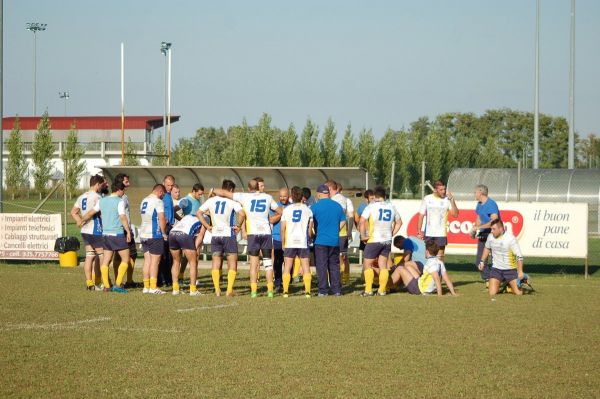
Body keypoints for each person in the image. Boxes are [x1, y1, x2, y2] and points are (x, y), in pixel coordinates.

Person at [214, 178, 282, 298]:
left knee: (253, 263)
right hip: (266, 233)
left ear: (249, 188)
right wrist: (273, 218)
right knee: (268, 263)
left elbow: (224, 193)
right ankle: (270, 291)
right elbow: (279, 211)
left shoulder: (244, 196)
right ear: (258, 187)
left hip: (253, 234)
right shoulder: (267, 197)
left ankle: (254, 292)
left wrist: (212, 190)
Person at [198, 179, 245, 297]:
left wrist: (207, 226)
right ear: (230, 190)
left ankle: (217, 290)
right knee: (232, 260)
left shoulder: (212, 200)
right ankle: (229, 290)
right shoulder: (232, 201)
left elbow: (198, 212)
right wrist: (238, 226)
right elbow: (242, 214)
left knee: (216, 261)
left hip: (215, 235)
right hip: (228, 234)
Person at [85, 181, 132, 293]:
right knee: (126, 259)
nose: (123, 193)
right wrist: (128, 231)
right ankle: (117, 285)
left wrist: (82, 219)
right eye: (123, 190)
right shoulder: (119, 201)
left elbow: (92, 211)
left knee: (106, 261)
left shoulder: (102, 200)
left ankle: (106, 286)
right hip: (117, 234)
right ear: (120, 190)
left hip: (105, 235)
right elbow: (122, 216)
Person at [359, 186, 402, 296]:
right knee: (383, 265)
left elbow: (362, 221)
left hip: (374, 239)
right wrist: (391, 234)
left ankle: (368, 290)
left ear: (375, 196)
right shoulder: (391, 206)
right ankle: (382, 290)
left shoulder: (372, 206)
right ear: (385, 196)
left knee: (367, 264)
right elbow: (399, 222)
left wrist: (363, 235)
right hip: (387, 240)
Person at [310, 184, 346, 296]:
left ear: (318, 194)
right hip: (334, 240)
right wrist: (336, 229)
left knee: (321, 266)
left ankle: (323, 290)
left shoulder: (314, 207)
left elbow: (310, 223)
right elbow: (343, 221)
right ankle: (336, 290)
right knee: (334, 265)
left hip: (320, 240)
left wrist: (311, 234)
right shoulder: (337, 206)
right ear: (328, 193)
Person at [70, 174, 105, 291]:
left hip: (85, 230)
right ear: (97, 185)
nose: (101, 187)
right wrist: (83, 220)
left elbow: (73, 212)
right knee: (102, 256)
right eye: (101, 185)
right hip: (95, 229)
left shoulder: (81, 197)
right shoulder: (97, 197)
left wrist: (80, 221)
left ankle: (89, 283)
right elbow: (95, 212)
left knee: (89, 256)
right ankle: (102, 283)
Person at [280, 186, 314, 298]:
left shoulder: (287, 210)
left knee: (287, 267)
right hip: (303, 242)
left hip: (290, 242)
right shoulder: (308, 210)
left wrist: (283, 243)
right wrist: (309, 238)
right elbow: (310, 230)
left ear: (292, 196)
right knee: (305, 267)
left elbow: (282, 228)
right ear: (302, 197)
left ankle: (285, 291)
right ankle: (308, 291)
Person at [478, 219, 524, 297]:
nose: (491, 231)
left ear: (501, 229)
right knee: (492, 293)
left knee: (518, 293)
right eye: (491, 229)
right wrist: (482, 261)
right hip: (496, 269)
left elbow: (519, 257)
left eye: (494, 229)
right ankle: (504, 285)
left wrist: (520, 272)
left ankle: (519, 281)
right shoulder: (490, 237)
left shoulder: (510, 239)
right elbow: (487, 248)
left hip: (510, 270)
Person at [417, 180, 458, 263]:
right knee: (428, 257)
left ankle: (439, 275)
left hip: (441, 233)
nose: (443, 192)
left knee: (439, 258)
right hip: (429, 232)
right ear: (435, 190)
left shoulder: (447, 200)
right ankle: (429, 275)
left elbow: (455, 215)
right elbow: (421, 215)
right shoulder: (427, 198)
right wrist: (419, 230)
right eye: (441, 190)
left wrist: (452, 200)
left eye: (444, 189)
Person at [138, 184, 168, 294]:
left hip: (143, 233)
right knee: (155, 262)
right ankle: (153, 287)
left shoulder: (144, 200)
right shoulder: (158, 201)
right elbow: (161, 218)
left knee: (147, 261)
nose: (162, 197)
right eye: (163, 195)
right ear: (160, 192)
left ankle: (146, 287)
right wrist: (164, 232)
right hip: (154, 234)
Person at [325, 180, 354, 285]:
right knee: (339, 256)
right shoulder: (331, 199)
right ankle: (339, 278)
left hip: (340, 232)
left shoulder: (344, 200)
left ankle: (343, 277)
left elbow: (350, 216)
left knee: (342, 256)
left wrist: (349, 231)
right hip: (337, 232)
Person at [112, 173, 138, 288]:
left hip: (120, 229)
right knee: (130, 255)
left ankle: (125, 280)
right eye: (126, 182)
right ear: (120, 182)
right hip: (123, 229)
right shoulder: (120, 197)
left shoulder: (119, 196)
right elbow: (122, 215)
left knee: (120, 256)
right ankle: (125, 281)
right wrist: (128, 230)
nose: (129, 184)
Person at [471, 184, 500, 284]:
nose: (474, 194)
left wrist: (479, 227)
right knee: (479, 261)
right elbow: (479, 218)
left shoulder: (491, 204)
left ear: (481, 192)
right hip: (483, 235)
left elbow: (494, 220)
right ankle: (489, 279)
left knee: (497, 261)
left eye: (475, 192)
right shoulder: (479, 204)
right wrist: (474, 229)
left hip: (494, 234)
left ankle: (499, 280)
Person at [169, 213, 202, 296]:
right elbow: (200, 236)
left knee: (176, 261)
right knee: (193, 263)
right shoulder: (205, 219)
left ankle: (175, 289)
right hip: (184, 234)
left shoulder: (188, 216)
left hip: (172, 233)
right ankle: (193, 290)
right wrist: (195, 249)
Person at [271, 187, 290, 292]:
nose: (282, 198)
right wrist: (281, 213)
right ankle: (278, 283)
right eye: (281, 196)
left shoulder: (292, 206)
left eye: (285, 196)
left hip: (290, 238)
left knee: (289, 261)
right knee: (277, 262)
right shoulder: (274, 206)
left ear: (289, 196)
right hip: (277, 237)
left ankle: (287, 281)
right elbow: (271, 220)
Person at [158, 175, 176, 286]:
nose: (169, 187)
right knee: (163, 255)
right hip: (164, 227)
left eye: (171, 185)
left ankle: (168, 279)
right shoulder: (162, 197)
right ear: (163, 183)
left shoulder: (168, 196)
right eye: (168, 185)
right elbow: (162, 215)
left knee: (169, 255)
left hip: (170, 227)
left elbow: (170, 212)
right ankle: (163, 280)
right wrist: (163, 231)